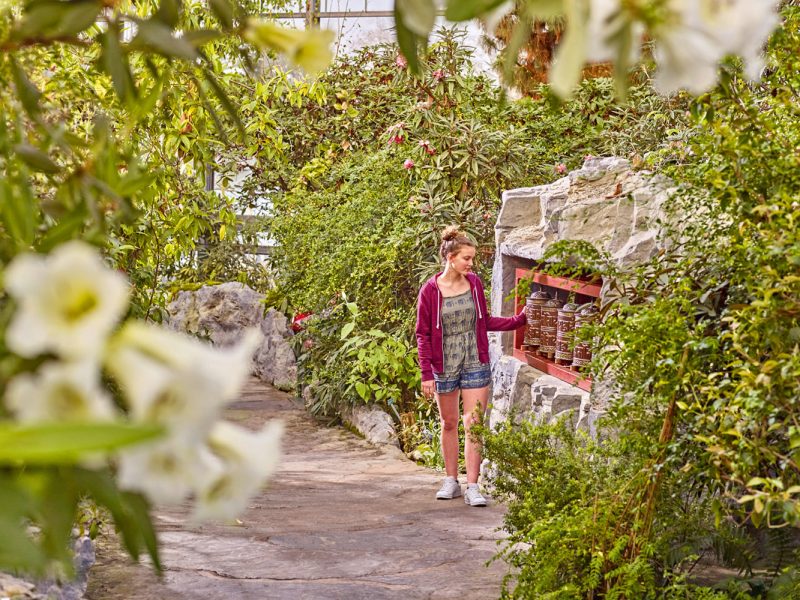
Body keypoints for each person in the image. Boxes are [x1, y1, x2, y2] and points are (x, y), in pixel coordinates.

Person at [415, 225, 526, 506]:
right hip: (444, 363)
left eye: (472, 258)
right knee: (449, 423)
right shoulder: (430, 290)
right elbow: (423, 334)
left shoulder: (474, 284)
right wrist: (426, 373)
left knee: (474, 424)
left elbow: (483, 321)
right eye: (466, 258)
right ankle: (451, 480)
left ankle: (473, 486)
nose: (471, 263)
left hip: (475, 358)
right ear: (450, 257)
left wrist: (517, 321)